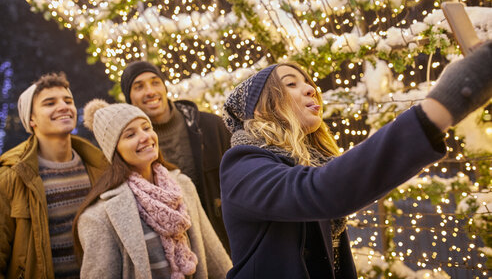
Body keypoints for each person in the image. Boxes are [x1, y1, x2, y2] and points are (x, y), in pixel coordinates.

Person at [219, 41, 492, 279]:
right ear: (261, 108)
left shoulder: (312, 162)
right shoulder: (242, 166)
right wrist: (441, 106)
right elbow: (321, 191)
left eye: (309, 83)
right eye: (291, 84)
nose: (311, 89)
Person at [73, 100, 231, 278]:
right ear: (114, 149)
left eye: (146, 128)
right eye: (130, 135)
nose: (145, 137)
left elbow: (212, 254)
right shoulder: (99, 217)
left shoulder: (181, 186)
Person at [0, 72, 109, 279]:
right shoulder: (11, 178)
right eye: (49, 103)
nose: (63, 107)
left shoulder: (99, 167)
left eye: (68, 101)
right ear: (31, 119)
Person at [120, 61, 231, 251]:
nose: (150, 91)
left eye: (155, 82)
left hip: (225, 243)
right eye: (139, 87)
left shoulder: (211, 127)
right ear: (129, 98)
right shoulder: (132, 147)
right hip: (173, 253)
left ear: (164, 87)